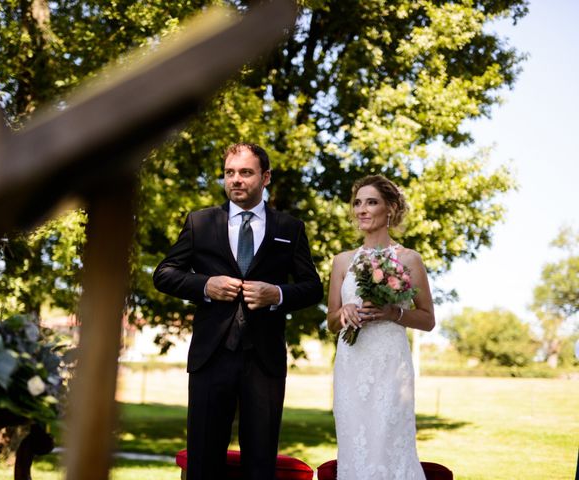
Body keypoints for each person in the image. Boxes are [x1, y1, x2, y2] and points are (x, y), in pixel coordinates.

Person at [153, 142, 323, 480]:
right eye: (230, 173)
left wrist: (276, 293)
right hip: (210, 356)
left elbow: (312, 287)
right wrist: (205, 285)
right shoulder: (199, 222)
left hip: (264, 360)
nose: (236, 180)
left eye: (245, 172)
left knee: (260, 463)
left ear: (266, 177)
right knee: (203, 459)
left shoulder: (290, 228)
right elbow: (164, 274)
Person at [327, 175, 435, 480]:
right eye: (358, 203)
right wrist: (344, 311)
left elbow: (427, 319)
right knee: (354, 444)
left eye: (371, 202)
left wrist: (393, 312)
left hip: (391, 366)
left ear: (390, 208)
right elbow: (331, 322)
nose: (362, 209)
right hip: (351, 365)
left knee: (389, 442)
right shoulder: (341, 262)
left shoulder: (410, 259)